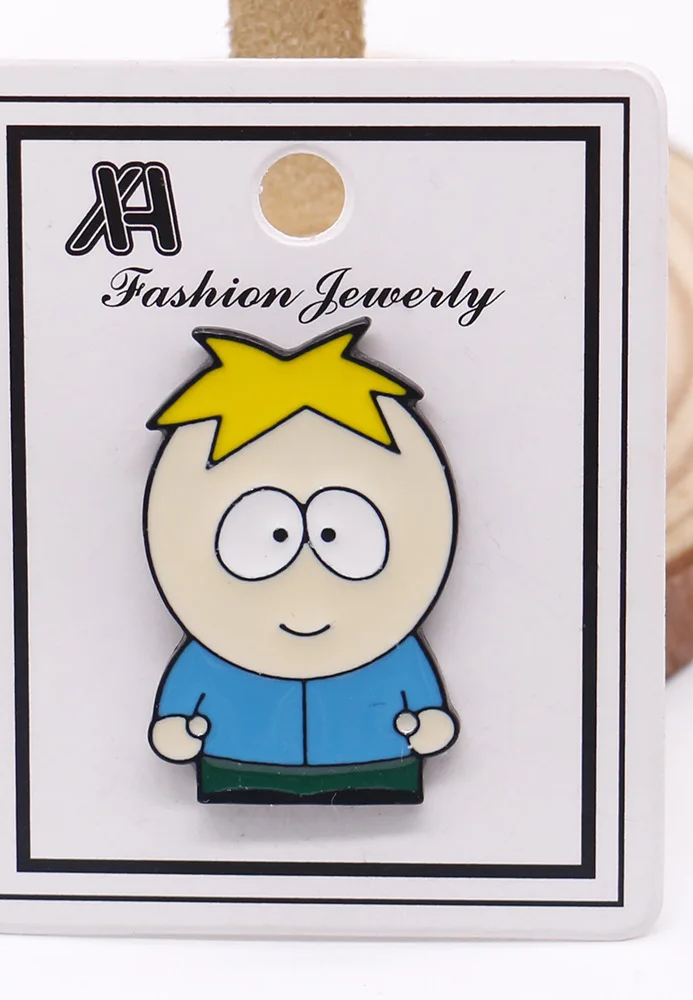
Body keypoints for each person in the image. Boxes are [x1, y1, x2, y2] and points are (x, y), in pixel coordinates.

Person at [143, 317, 459, 804]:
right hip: (239, 766)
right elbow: (183, 703)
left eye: (335, 535)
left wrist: (428, 721)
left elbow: (421, 699)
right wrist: (177, 726)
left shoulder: (390, 648)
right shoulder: (215, 652)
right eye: (274, 537)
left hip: (377, 766)